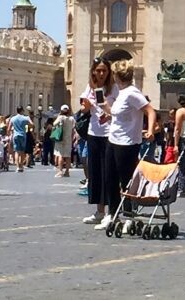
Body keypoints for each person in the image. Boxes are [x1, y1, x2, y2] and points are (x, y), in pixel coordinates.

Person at [100, 60, 156, 231]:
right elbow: (120, 115)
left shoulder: (132, 93)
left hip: (128, 143)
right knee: (110, 179)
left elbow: (150, 110)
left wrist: (151, 129)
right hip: (113, 140)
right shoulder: (122, 93)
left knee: (127, 181)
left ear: (116, 76)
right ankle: (113, 214)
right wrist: (107, 112)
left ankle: (129, 216)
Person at [80, 57, 118, 226]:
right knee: (95, 174)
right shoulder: (90, 87)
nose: (101, 73)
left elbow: (119, 110)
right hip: (93, 133)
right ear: (93, 71)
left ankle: (112, 212)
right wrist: (87, 105)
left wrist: (109, 114)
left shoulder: (114, 89)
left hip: (110, 135)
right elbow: (83, 109)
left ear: (109, 72)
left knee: (109, 174)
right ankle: (99, 211)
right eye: (98, 70)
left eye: (104, 70)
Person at [51, 104, 76, 177]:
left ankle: (60, 171)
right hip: (68, 139)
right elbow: (74, 128)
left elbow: (54, 124)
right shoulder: (72, 118)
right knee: (68, 156)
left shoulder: (60, 117)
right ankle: (67, 172)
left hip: (60, 138)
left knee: (60, 155)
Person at [7, 106, 33, 172]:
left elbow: (9, 128)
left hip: (15, 135)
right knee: (22, 151)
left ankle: (18, 166)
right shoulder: (25, 118)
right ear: (22, 111)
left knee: (16, 151)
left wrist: (9, 135)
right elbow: (32, 125)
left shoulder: (13, 118)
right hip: (23, 135)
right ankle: (21, 165)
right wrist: (27, 125)